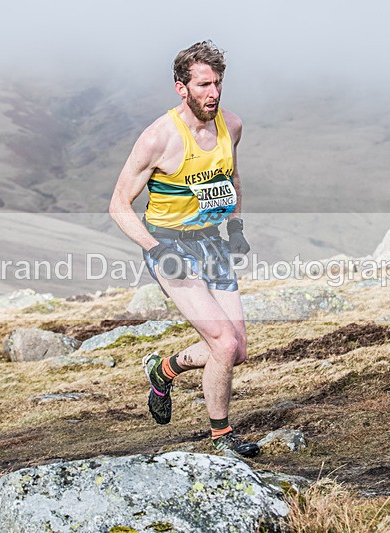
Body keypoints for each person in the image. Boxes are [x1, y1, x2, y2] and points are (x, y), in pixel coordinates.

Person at [109, 41, 259, 458]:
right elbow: (119, 205)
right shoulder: (158, 138)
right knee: (223, 344)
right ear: (181, 88)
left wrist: (236, 226)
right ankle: (221, 437)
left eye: (218, 83)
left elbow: (231, 177)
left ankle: (164, 369)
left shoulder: (233, 125)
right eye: (204, 85)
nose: (213, 93)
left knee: (237, 350)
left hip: (211, 241)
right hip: (171, 247)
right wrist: (156, 250)